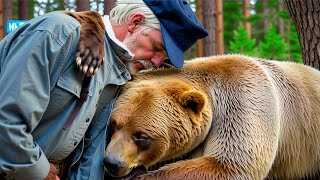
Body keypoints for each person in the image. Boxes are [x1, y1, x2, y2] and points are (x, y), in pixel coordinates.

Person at [0, 0, 208, 179]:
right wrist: (38, 172)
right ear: (135, 23)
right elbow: (6, 120)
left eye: (165, 58)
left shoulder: (118, 72)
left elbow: (92, 149)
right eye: (157, 48)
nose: (156, 62)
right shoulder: (59, 33)